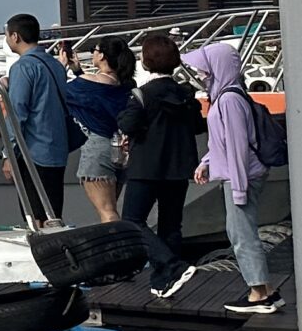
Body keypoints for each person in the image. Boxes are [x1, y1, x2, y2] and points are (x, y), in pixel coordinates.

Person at [189, 43, 278, 314]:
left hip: (241, 177)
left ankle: (258, 294)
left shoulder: (228, 100)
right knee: (240, 231)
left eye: (205, 68)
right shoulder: (231, 95)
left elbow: (238, 146)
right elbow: (223, 142)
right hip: (240, 174)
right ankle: (264, 290)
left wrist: (238, 188)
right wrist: (206, 162)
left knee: (241, 233)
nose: (202, 73)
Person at [116, 33, 200, 296]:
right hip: (178, 166)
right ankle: (164, 280)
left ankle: (172, 267)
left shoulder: (143, 95)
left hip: (146, 167)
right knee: (171, 224)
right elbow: (197, 126)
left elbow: (127, 124)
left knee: (132, 221)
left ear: (147, 61)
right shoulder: (186, 94)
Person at [0, 13, 73, 227]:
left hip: (33, 152)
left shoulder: (23, 67)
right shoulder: (55, 65)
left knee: (35, 217)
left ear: (15, 36)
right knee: (53, 214)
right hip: (56, 148)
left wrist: (8, 154)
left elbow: (17, 113)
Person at [63, 39, 136, 225]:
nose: (93, 53)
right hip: (120, 149)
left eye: (94, 50)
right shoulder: (127, 85)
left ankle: (120, 250)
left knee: (107, 212)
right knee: (111, 208)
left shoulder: (86, 84)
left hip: (97, 149)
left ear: (102, 55)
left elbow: (59, 91)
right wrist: (78, 71)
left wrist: (62, 66)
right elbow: (100, 92)